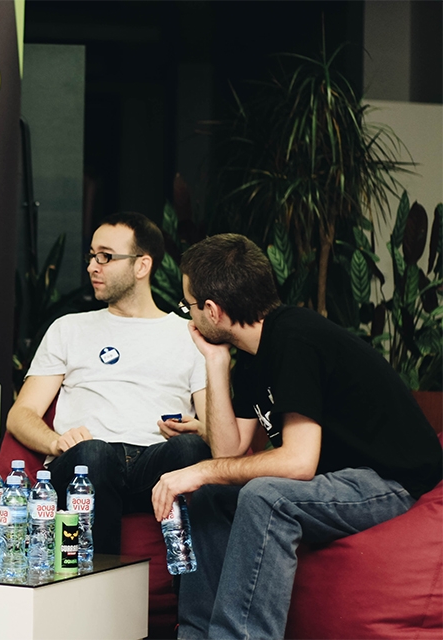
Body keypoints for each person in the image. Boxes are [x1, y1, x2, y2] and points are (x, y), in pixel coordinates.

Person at [152, 233, 442, 639]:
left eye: (189, 306)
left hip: (389, 480)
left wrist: (198, 471)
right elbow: (228, 450)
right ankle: (196, 634)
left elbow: (298, 462)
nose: (188, 316)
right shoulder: (251, 355)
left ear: (213, 310)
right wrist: (216, 361)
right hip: (337, 477)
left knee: (265, 497)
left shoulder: (295, 338)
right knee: (212, 495)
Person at [7, 212, 210, 554]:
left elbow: (214, 431)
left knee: (190, 450)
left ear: (142, 265)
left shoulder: (188, 334)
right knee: (95, 454)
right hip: (87, 464)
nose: (92, 267)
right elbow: (21, 414)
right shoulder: (69, 328)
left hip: (154, 465)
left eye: (105, 257)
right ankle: (101, 580)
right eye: (91, 256)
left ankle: (190, 585)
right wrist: (56, 442)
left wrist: (200, 429)